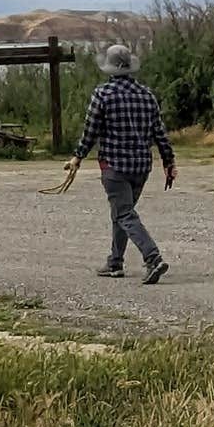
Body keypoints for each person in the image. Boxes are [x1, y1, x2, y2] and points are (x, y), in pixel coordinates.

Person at [68, 40, 175, 282]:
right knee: (123, 213)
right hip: (140, 167)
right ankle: (115, 262)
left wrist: (78, 156)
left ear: (110, 69)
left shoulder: (102, 94)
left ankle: (153, 258)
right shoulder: (147, 95)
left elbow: (90, 130)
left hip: (114, 166)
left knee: (124, 213)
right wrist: (169, 163)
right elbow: (160, 133)